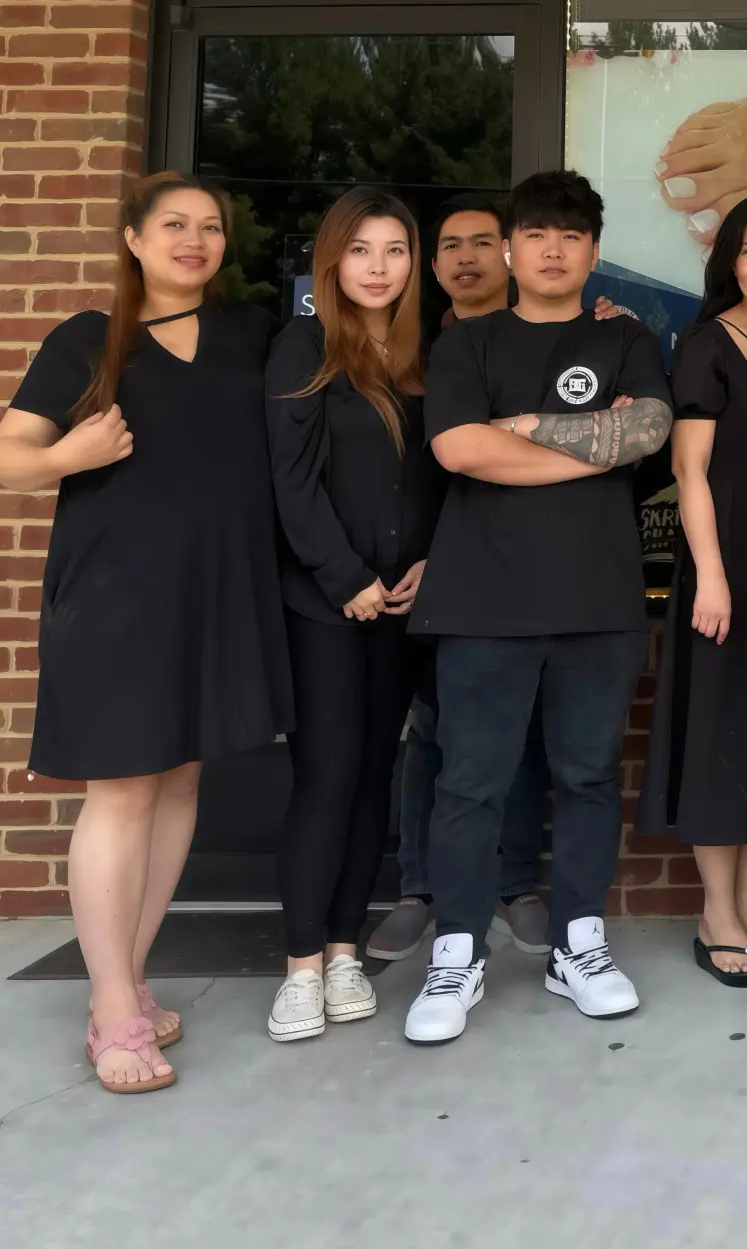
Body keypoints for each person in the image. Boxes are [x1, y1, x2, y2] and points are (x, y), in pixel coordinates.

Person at [0, 173, 291, 1093]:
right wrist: (65, 454)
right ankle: (113, 1007)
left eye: (210, 227)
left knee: (179, 781)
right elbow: (8, 456)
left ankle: (122, 979)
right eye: (173, 225)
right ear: (133, 238)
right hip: (116, 600)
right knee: (123, 790)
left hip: (217, 596)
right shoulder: (89, 339)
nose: (194, 240)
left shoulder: (254, 334)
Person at [403, 170, 672, 1044]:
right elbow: (457, 450)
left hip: (599, 600)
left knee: (588, 778)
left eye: (572, 236)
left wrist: (517, 430)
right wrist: (592, 449)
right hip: (483, 600)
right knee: (469, 783)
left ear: (594, 253)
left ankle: (577, 945)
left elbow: (647, 431)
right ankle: (456, 952)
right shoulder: (468, 344)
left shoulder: (626, 338)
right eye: (538, 235)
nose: (554, 251)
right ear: (512, 250)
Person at [263, 188, 437, 1041]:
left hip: (402, 607)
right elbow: (290, 482)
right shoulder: (304, 346)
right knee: (327, 779)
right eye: (361, 250)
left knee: (374, 778)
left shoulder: (423, 355)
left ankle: (342, 952)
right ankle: (300, 967)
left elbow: (441, 479)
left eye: (394, 250)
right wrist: (345, 576)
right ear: (332, 261)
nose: (378, 267)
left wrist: (428, 563)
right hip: (325, 608)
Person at [637, 195, 747, 987]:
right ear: (729, 263)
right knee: (719, 735)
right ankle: (716, 915)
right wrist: (709, 574)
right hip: (727, 566)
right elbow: (690, 471)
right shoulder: (709, 344)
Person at [368, 195, 550, 963]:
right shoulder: (407, 350)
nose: (467, 257)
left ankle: (517, 882)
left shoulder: (541, 343)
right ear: (432, 263)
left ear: (508, 253)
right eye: (451, 245)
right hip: (419, 572)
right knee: (432, 729)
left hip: (516, 563)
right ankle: (421, 887)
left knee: (521, 728)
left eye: (482, 241)